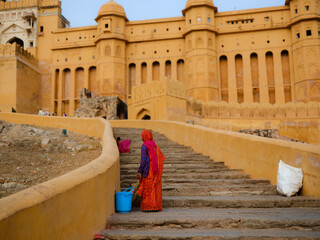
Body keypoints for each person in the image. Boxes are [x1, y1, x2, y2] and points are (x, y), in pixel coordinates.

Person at [136, 130, 165, 212]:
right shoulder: (155, 145)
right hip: (155, 170)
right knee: (154, 187)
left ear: (143, 137)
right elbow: (161, 157)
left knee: (148, 187)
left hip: (148, 170)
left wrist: (139, 170)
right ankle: (155, 206)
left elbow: (143, 160)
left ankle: (149, 206)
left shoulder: (144, 146)